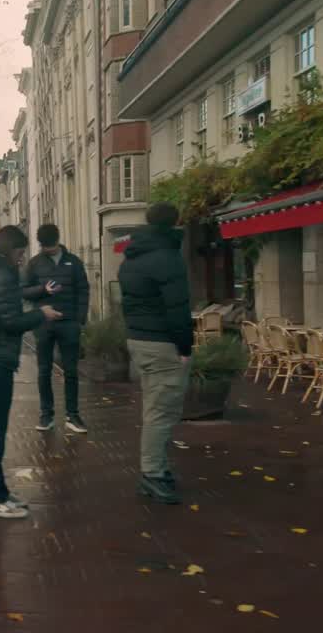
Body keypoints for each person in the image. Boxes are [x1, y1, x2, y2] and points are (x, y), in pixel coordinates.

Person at [0, 225, 62, 519]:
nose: (22, 258)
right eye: (20, 252)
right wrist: (41, 314)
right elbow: (11, 321)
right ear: (11, 250)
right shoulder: (3, 274)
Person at [118, 202, 193, 505]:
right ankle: (153, 475)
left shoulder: (130, 258)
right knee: (162, 413)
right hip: (163, 343)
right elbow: (178, 308)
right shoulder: (168, 258)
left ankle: (156, 468)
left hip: (139, 339)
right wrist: (185, 347)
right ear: (174, 222)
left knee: (154, 408)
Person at [22, 224, 90, 434]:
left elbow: (83, 290)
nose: (48, 250)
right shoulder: (34, 264)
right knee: (44, 371)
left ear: (58, 241)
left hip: (69, 323)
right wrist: (43, 289)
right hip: (44, 323)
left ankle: (73, 415)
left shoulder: (74, 262)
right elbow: (24, 291)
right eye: (44, 247)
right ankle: (46, 414)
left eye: (50, 246)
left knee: (71, 371)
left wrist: (79, 319)